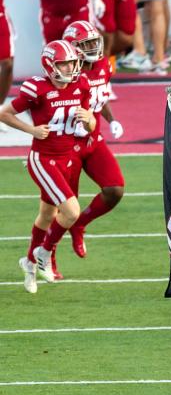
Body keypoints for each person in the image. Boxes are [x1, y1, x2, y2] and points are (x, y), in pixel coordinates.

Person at [0, 41, 96, 293]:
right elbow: (4, 113)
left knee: (46, 215)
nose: (70, 67)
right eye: (64, 63)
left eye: (73, 62)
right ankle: (44, 252)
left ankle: (29, 263)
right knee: (72, 212)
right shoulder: (37, 89)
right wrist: (31, 129)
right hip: (42, 159)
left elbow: (91, 125)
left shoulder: (81, 85)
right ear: (50, 65)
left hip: (67, 158)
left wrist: (90, 120)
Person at [60, 20, 125, 260]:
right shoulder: (63, 73)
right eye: (85, 44)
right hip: (67, 145)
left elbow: (100, 95)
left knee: (115, 189)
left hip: (93, 139)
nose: (92, 48)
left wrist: (112, 119)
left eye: (92, 42)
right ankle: (49, 256)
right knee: (65, 207)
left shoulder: (102, 66)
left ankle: (80, 225)